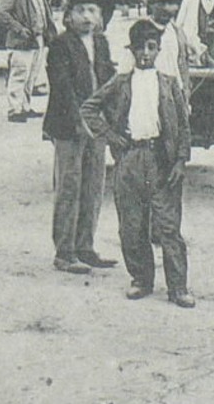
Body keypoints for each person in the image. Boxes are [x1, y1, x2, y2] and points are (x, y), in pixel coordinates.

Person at [80, 19, 195, 307]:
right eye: (139, 48)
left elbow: (183, 125)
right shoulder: (120, 83)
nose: (145, 54)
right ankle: (141, 279)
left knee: (168, 226)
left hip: (161, 159)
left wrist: (180, 160)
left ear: (158, 49)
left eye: (151, 47)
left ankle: (178, 287)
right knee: (132, 224)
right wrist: (110, 136)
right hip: (131, 158)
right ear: (130, 50)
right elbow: (89, 108)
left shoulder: (168, 84)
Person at [44, 0, 119, 274]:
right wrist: (80, 120)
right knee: (69, 186)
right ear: (68, 16)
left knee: (94, 185)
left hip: (95, 126)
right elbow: (62, 87)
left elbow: (107, 81)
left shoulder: (101, 43)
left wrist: (111, 117)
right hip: (68, 127)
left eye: (93, 11)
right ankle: (64, 252)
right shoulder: (61, 45)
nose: (87, 17)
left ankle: (85, 246)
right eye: (81, 11)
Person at [0, 0, 53, 122]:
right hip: (21, 39)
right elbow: (0, 12)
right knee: (19, 74)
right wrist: (19, 29)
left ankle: (25, 106)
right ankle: (14, 109)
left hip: (38, 37)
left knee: (32, 75)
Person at [145, 0, 195, 91]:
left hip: (175, 93)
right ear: (151, 5)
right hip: (151, 93)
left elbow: (183, 64)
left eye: (171, 3)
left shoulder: (178, 32)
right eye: (161, 3)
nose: (166, 8)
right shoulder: (141, 31)